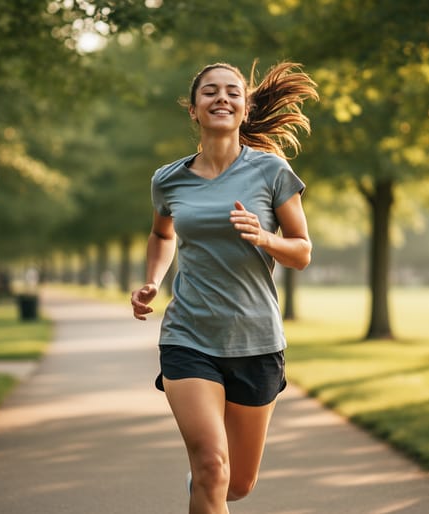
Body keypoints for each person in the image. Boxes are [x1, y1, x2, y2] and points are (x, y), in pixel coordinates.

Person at [130, 61, 318, 514]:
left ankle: (206, 485)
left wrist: (264, 236)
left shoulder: (271, 172)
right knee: (214, 467)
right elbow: (162, 235)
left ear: (245, 107)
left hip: (256, 340)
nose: (222, 98)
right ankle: (206, 476)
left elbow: (302, 251)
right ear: (193, 110)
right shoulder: (168, 178)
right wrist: (153, 281)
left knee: (236, 484)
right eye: (210, 92)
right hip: (189, 336)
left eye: (233, 92)